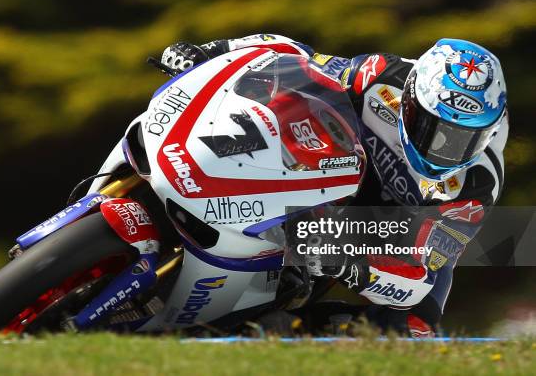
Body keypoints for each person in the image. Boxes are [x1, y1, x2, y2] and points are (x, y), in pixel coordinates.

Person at [159, 35, 509, 337]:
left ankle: (304, 334)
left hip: (385, 231)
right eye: (429, 125)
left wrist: (350, 260)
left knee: (416, 328)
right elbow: (296, 55)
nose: (440, 147)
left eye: (464, 138)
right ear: (411, 97)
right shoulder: (382, 77)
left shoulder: (476, 187)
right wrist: (216, 50)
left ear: (488, 133)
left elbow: (423, 270)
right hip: (326, 177)